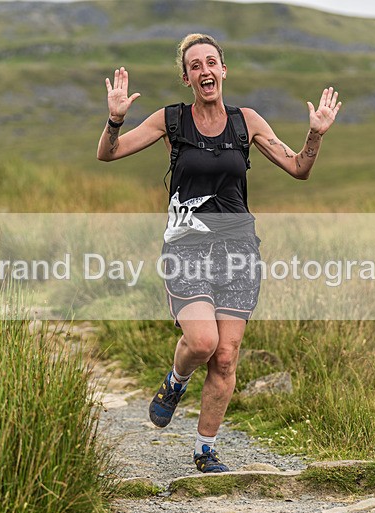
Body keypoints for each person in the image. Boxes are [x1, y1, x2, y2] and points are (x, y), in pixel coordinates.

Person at [96, 33, 341, 473]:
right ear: (187, 77)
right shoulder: (170, 121)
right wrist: (114, 121)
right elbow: (107, 155)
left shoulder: (246, 121)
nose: (205, 70)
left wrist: (315, 135)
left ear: (223, 70)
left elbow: (299, 168)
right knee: (203, 342)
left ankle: (204, 450)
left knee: (226, 356)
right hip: (186, 247)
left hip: (239, 249)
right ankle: (176, 381)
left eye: (212, 62)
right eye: (195, 66)